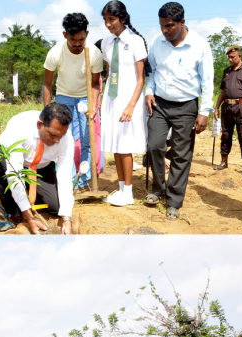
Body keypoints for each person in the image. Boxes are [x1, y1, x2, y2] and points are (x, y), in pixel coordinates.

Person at [145, 2, 213, 221]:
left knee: (182, 154)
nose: (164, 31)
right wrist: (149, 91)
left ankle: (174, 201)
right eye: (162, 26)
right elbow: (153, 72)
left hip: (187, 106)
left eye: (169, 26)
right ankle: (158, 188)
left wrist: (204, 111)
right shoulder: (157, 42)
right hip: (161, 104)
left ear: (182, 22)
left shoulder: (200, 45)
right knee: (155, 145)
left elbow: (208, 81)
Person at [0, 103, 75, 235]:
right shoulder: (19, 129)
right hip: (10, 162)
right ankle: (13, 210)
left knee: (56, 207)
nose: (57, 141)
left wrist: (67, 219)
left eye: (60, 136)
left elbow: (65, 176)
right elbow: (14, 173)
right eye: (52, 135)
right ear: (40, 125)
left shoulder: (66, 139)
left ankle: (30, 193)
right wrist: (29, 216)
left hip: (41, 166)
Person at [43, 13, 103, 191]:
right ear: (65, 35)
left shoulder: (94, 53)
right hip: (64, 96)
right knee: (64, 139)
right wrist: (47, 111)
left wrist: (92, 106)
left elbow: (94, 83)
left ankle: (84, 181)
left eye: (81, 39)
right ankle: (69, 181)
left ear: (87, 34)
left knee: (87, 139)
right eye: (72, 39)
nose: (77, 44)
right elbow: (47, 83)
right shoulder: (55, 53)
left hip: (86, 96)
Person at [100, 1, 148, 207]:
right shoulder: (106, 43)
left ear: (123, 19)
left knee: (125, 144)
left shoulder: (136, 41)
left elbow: (140, 79)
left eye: (111, 19)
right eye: (105, 20)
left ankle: (128, 193)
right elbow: (110, 72)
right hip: (112, 98)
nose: (108, 24)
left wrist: (131, 105)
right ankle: (120, 190)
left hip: (130, 98)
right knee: (115, 145)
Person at [213, 45, 242, 177]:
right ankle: (224, 162)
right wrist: (217, 107)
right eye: (229, 58)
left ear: (239, 56)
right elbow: (222, 91)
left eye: (233, 57)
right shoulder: (227, 72)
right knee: (225, 134)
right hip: (227, 107)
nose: (230, 59)